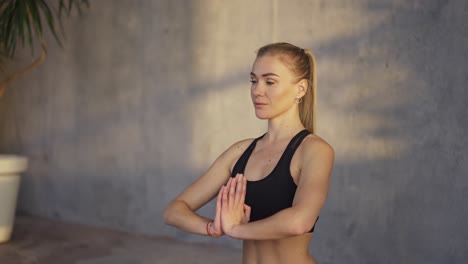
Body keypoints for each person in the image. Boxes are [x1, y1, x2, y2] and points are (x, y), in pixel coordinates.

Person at [163, 42, 334, 264]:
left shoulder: (314, 150)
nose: (257, 90)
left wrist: (235, 229)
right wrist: (213, 227)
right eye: (254, 80)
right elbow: (173, 211)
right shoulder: (239, 152)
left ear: (300, 89)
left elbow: (299, 221)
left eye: (269, 82)